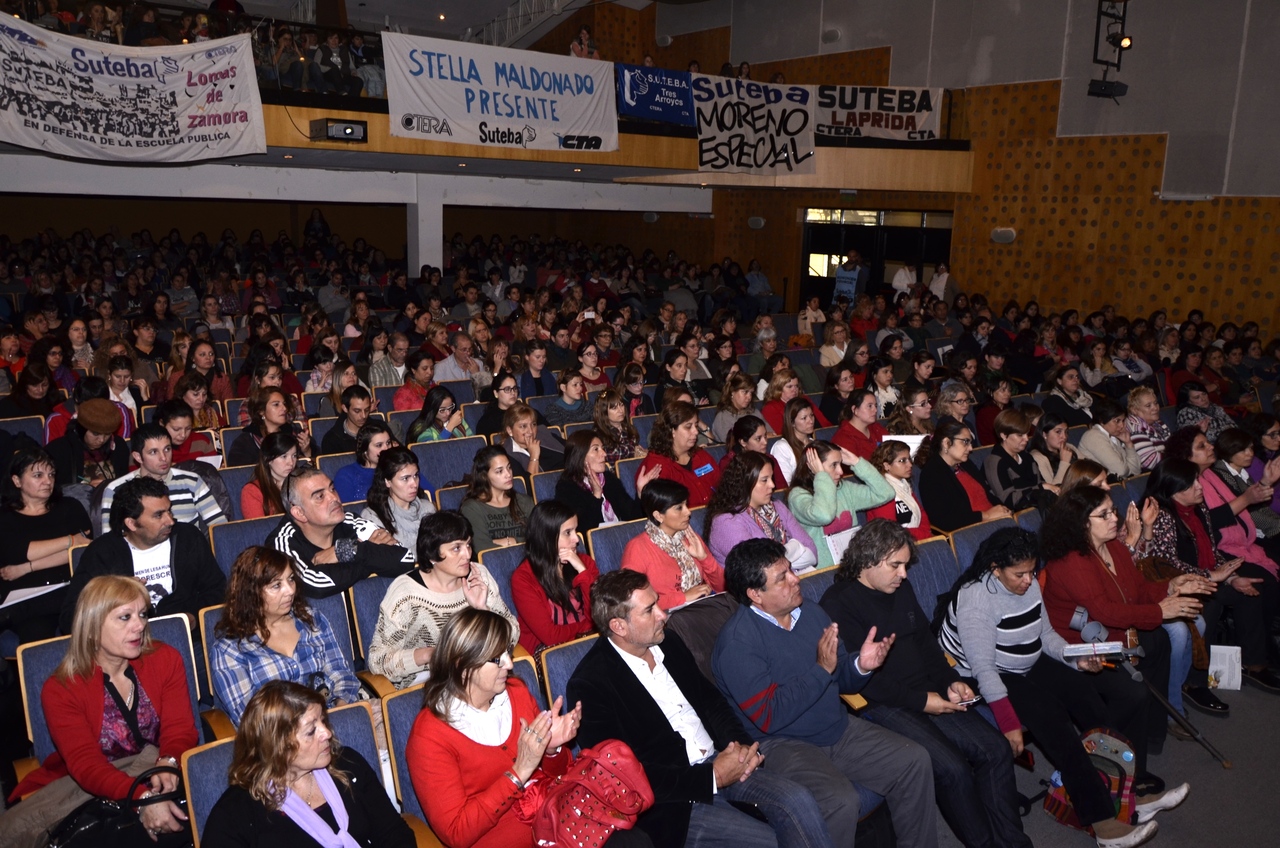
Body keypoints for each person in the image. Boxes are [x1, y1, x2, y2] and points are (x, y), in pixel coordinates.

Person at [934, 528, 1173, 848]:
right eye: (1019, 574)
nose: (1028, 580)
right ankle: (1102, 821)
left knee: (1085, 695)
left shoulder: (1029, 583)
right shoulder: (976, 599)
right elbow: (984, 668)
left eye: (1032, 571)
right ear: (995, 569)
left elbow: (1045, 635)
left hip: (1023, 659)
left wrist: (1075, 658)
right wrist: (1007, 721)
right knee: (1052, 718)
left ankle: (1124, 794)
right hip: (984, 673)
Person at [567, 569, 831, 848]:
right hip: (675, 803)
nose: (663, 615)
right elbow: (623, 779)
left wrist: (740, 746)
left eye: (658, 603)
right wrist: (711, 777)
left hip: (721, 759)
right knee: (767, 841)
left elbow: (711, 701)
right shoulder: (590, 685)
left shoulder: (668, 641)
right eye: (649, 610)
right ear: (619, 626)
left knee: (798, 801)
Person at [712, 538, 937, 848]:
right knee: (838, 800)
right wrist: (821, 670)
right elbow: (769, 716)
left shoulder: (811, 613)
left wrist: (860, 665)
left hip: (835, 726)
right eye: (782, 578)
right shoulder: (738, 644)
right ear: (755, 594)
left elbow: (841, 676)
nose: (796, 579)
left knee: (914, 761)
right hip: (781, 743)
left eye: (791, 570)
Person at [820, 521, 1032, 848]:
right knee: (952, 769)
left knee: (995, 749)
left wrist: (951, 681)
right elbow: (864, 682)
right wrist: (923, 701)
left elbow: (926, 643)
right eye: (895, 565)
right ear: (867, 560)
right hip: (884, 704)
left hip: (928, 689)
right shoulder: (839, 603)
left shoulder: (899, 588)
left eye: (905, 565)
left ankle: (1013, 843)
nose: (903, 574)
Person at [1, 576, 197, 846]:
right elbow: (87, 766)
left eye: (142, 614)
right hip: (97, 793)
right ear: (92, 627)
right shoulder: (61, 689)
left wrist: (169, 762)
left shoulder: (165, 658)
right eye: (125, 617)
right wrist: (141, 798)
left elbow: (180, 729)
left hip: (158, 772)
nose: (139, 625)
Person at [1040, 486, 1214, 770]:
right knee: (1132, 693)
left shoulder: (1114, 547)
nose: (1115, 518)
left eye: (1113, 510)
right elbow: (1105, 612)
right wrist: (1161, 611)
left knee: (1158, 641)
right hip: (1079, 647)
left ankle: (1150, 736)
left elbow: (1138, 590)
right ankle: (1115, 762)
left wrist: (1171, 586)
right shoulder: (1071, 561)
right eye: (1104, 514)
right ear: (1082, 523)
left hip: (1109, 634)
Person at [407, 609, 611, 848]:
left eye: (507, 652)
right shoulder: (430, 736)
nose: (509, 663)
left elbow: (559, 775)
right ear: (462, 665)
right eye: (497, 658)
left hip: (558, 823)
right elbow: (456, 833)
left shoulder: (515, 692)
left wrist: (551, 749)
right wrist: (518, 773)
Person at [201, 680, 413, 848]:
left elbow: (395, 834)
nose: (327, 733)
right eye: (311, 731)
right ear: (277, 747)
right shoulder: (236, 814)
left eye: (323, 720)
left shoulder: (348, 765)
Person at [1137, 458, 1271, 714]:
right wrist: (1211, 576)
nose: (1200, 487)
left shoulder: (1199, 510)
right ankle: (1194, 682)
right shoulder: (1162, 515)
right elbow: (1166, 564)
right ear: (1174, 490)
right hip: (1176, 583)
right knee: (1208, 605)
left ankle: (1254, 664)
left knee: (1248, 592)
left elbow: (1212, 552)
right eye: (1192, 484)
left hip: (1204, 577)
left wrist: (1231, 578)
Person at [367, 511, 517, 690]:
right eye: (456, 548)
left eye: (468, 545)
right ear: (432, 555)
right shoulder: (406, 593)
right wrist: (429, 655)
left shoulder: (478, 577)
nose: (467, 554)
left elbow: (513, 632)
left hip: (477, 678)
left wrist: (483, 611)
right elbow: (378, 661)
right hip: (424, 685)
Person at [210, 546, 361, 724]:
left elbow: (341, 674)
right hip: (281, 736)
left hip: (332, 718)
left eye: (291, 579)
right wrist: (309, 727)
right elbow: (252, 720)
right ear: (251, 592)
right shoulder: (230, 650)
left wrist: (342, 712)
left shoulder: (311, 619)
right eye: (277, 585)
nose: (290, 590)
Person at [59, 477, 225, 634]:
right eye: (158, 515)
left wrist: (193, 617)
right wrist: (116, 595)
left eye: (169, 511)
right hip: (124, 642)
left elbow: (218, 590)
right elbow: (71, 619)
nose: (170, 521)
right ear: (131, 523)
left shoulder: (187, 538)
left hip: (186, 636)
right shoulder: (102, 553)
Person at [269, 466, 415, 598]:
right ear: (299, 513)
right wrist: (369, 556)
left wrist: (346, 550)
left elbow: (406, 559)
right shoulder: (282, 542)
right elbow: (317, 584)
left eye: (332, 489)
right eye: (320, 496)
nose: (334, 498)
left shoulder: (349, 520)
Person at [0, 448, 92, 645]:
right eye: (38, 475)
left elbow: (82, 551)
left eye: (51, 474)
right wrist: (70, 540)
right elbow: (21, 552)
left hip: (69, 588)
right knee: (36, 633)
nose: (47, 481)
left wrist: (26, 567)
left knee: (86, 620)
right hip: (25, 594)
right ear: (17, 481)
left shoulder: (70, 506)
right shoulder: (5, 517)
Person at [98, 424, 227, 534]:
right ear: (138, 457)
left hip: (186, 551)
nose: (164, 458)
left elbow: (220, 528)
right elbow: (110, 540)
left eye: (167, 449)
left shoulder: (192, 481)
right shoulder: (116, 489)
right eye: (153, 452)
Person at [510, 500, 600, 654]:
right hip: (551, 653)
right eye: (568, 532)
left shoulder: (584, 563)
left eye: (575, 530)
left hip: (589, 643)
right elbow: (550, 636)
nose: (576, 539)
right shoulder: (523, 579)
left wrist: (582, 572)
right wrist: (588, 627)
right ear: (546, 537)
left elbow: (601, 613)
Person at [621, 479, 722, 610]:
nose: (688, 512)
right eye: (679, 508)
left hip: (701, 608)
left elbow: (721, 587)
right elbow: (632, 602)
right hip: (665, 617)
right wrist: (683, 598)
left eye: (686, 505)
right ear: (658, 516)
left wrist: (704, 558)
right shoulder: (637, 548)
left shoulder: (690, 538)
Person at [706, 452, 818, 570]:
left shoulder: (778, 507)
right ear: (745, 483)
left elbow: (812, 551)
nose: (772, 485)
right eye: (764, 480)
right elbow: (758, 568)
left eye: (771, 478)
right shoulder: (726, 521)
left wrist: (779, 561)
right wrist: (795, 547)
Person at [554, 430, 655, 535]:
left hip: (622, 535)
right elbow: (582, 531)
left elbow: (633, 518)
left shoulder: (609, 479)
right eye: (596, 449)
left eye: (602, 448)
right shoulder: (567, 487)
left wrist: (640, 491)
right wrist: (596, 496)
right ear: (580, 456)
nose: (604, 454)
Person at [919, 419, 1011, 532]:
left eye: (970, 443)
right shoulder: (932, 474)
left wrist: (1004, 509)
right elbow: (944, 520)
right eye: (965, 442)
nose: (971, 448)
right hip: (972, 531)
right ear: (946, 443)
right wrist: (986, 516)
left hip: (994, 522)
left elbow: (987, 494)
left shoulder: (966, 464)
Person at [635, 401, 722, 507]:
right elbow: (662, 509)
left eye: (696, 426)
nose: (696, 432)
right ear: (672, 431)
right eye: (688, 427)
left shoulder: (701, 455)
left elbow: (722, 488)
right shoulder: (656, 465)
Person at [357, 446, 437, 551]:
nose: (414, 484)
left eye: (415, 475)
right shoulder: (373, 517)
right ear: (387, 481)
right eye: (405, 478)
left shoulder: (428, 509)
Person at [460, 446, 537, 551]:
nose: (508, 474)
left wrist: (512, 541)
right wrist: (521, 542)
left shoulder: (524, 502)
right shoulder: (472, 508)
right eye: (499, 471)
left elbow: (539, 539)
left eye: (509, 467)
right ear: (484, 476)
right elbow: (481, 548)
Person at [982, 407, 1058, 511]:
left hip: (1036, 508)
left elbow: (1040, 482)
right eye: (1020, 435)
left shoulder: (1027, 457)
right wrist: (1041, 488)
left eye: (1027, 433)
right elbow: (1007, 500)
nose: (1026, 439)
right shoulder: (994, 462)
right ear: (1004, 435)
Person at [45, 396, 130, 487]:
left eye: (107, 434)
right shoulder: (58, 450)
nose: (101, 440)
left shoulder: (118, 446)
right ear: (82, 430)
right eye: (96, 434)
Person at [228, 387, 314, 468]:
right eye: (276, 404)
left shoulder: (296, 434)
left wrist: (307, 451)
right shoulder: (245, 442)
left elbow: (313, 466)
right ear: (261, 411)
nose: (284, 408)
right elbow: (240, 474)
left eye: (284, 404)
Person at [866, 440, 933, 541]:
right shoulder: (881, 491)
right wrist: (924, 536)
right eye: (902, 461)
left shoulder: (904, 485)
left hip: (915, 539)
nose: (910, 464)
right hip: (894, 544)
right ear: (886, 465)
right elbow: (890, 532)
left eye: (909, 459)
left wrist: (926, 535)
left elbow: (922, 515)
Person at [331, 419, 397, 504]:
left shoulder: (397, 469)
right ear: (365, 450)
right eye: (379, 445)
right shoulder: (346, 475)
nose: (386, 448)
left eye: (388, 443)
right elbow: (348, 508)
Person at [1075, 397, 1143, 480]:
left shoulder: (1113, 436)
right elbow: (1120, 471)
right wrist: (1129, 469)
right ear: (1102, 421)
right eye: (1117, 421)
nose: (1122, 425)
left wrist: (1128, 444)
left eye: (1123, 421)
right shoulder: (1094, 436)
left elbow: (1136, 471)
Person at [241, 431, 298, 519]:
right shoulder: (253, 491)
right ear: (268, 459)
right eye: (284, 456)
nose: (291, 463)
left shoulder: (301, 483)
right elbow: (259, 526)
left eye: (294, 456)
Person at [501, 402, 566, 476]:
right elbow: (529, 482)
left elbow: (570, 449)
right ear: (510, 430)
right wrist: (534, 456)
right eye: (523, 426)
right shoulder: (508, 455)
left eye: (533, 424)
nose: (531, 431)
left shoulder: (542, 432)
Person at [592, 387, 648, 462]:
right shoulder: (598, 433)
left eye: (621, 405)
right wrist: (633, 451)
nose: (620, 410)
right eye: (614, 408)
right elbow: (609, 456)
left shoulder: (628, 429)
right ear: (604, 412)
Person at [832, 389, 887, 460]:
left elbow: (893, 450)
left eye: (875, 406)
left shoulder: (876, 427)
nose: (875, 410)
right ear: (855, 410)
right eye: (870, 406)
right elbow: (854, 466)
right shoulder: (843, 438)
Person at [318, 384, 372, 456]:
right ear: (345, 408)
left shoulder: (379, 430)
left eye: (367, 410)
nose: (363, 416)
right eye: (357, 411)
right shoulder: (331, 440)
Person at [407, 385, 472, 443]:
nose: (448, 413)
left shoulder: (457, 419)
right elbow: (430, 449)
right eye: (442, 410)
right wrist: (450, 427)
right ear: (432, 409)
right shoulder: (421, 427)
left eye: (450, 408)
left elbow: (472, 441)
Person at [1126, 386, 1171, 470]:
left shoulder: (1158, 423)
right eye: (1148, 405)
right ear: (1134, 410)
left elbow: (1173, 445)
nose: (1155, 408)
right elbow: (1150, 461)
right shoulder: (1136, 428)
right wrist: (1177, 456)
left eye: (1156, 403)